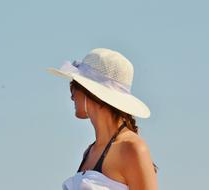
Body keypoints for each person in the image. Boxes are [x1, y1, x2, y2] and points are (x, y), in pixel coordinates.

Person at [47, 48, 158, 190]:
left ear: (90, 92)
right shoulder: (90, 151)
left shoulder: (132, 148)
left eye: (73, 86)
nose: (71, 96)